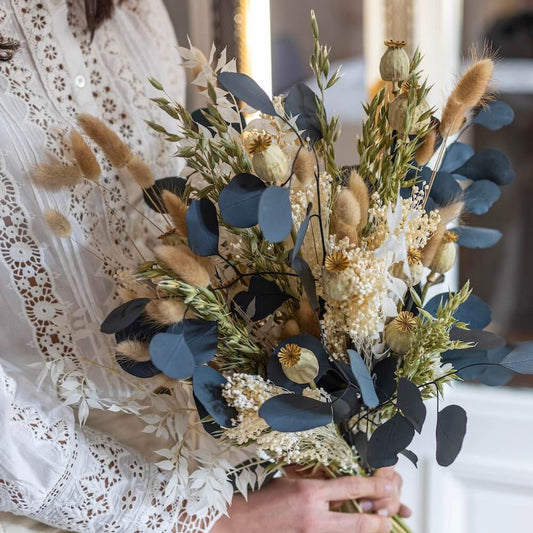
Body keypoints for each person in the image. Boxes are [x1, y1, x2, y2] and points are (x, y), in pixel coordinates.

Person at [0, 1, 410, 531]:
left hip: (232, 472)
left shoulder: (133, 14)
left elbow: (190, 244)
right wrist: (207, 521)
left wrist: (319, 443)